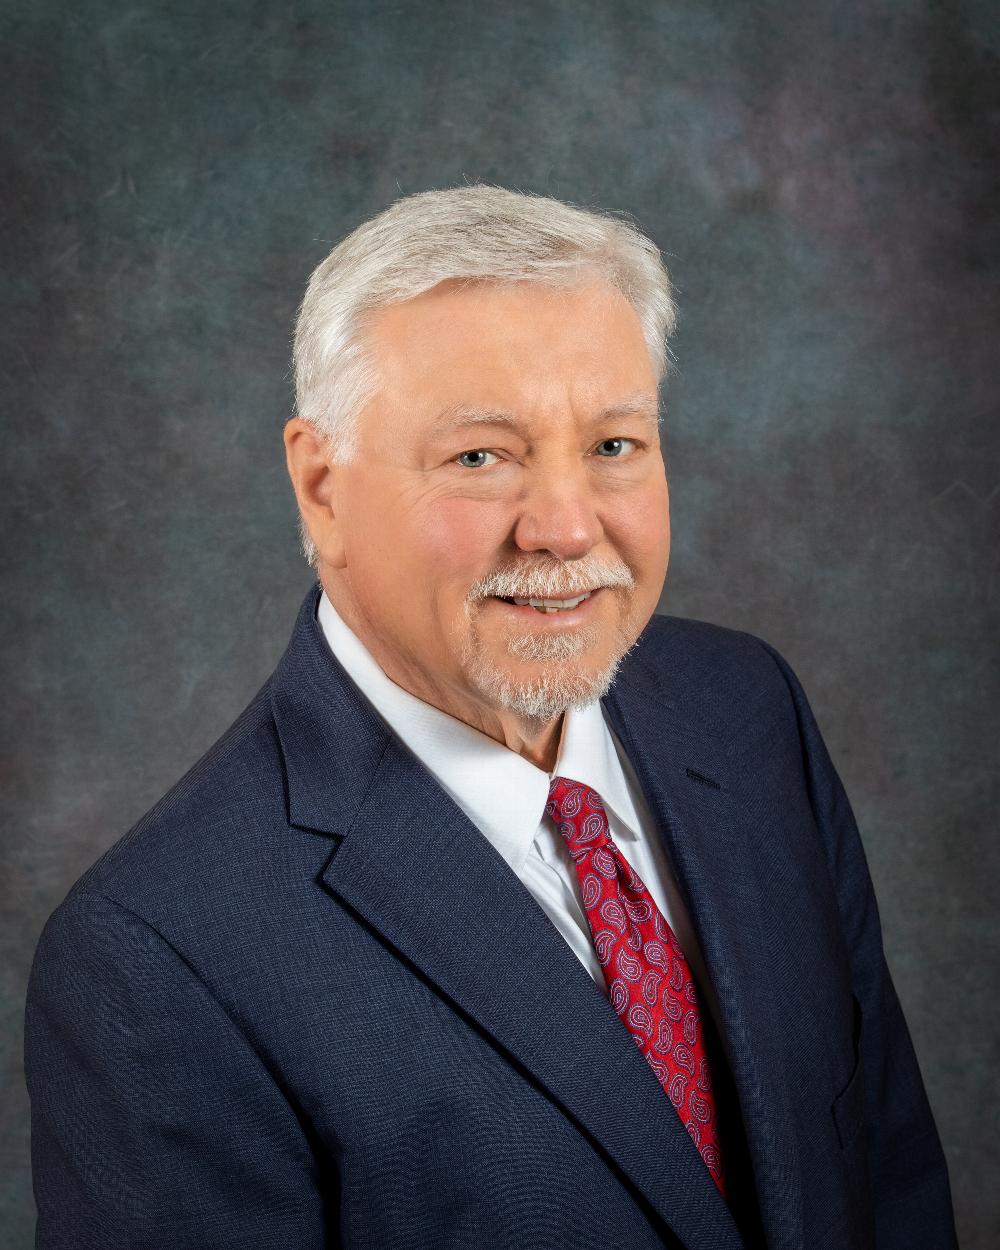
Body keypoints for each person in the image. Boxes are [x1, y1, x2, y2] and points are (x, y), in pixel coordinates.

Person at [24, 186, 957, 1250]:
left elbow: (889, 1179)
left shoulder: (748, 711)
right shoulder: (157, 958)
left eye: (614, 445)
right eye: (480, 457)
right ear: (321, 486)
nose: (565, 527)